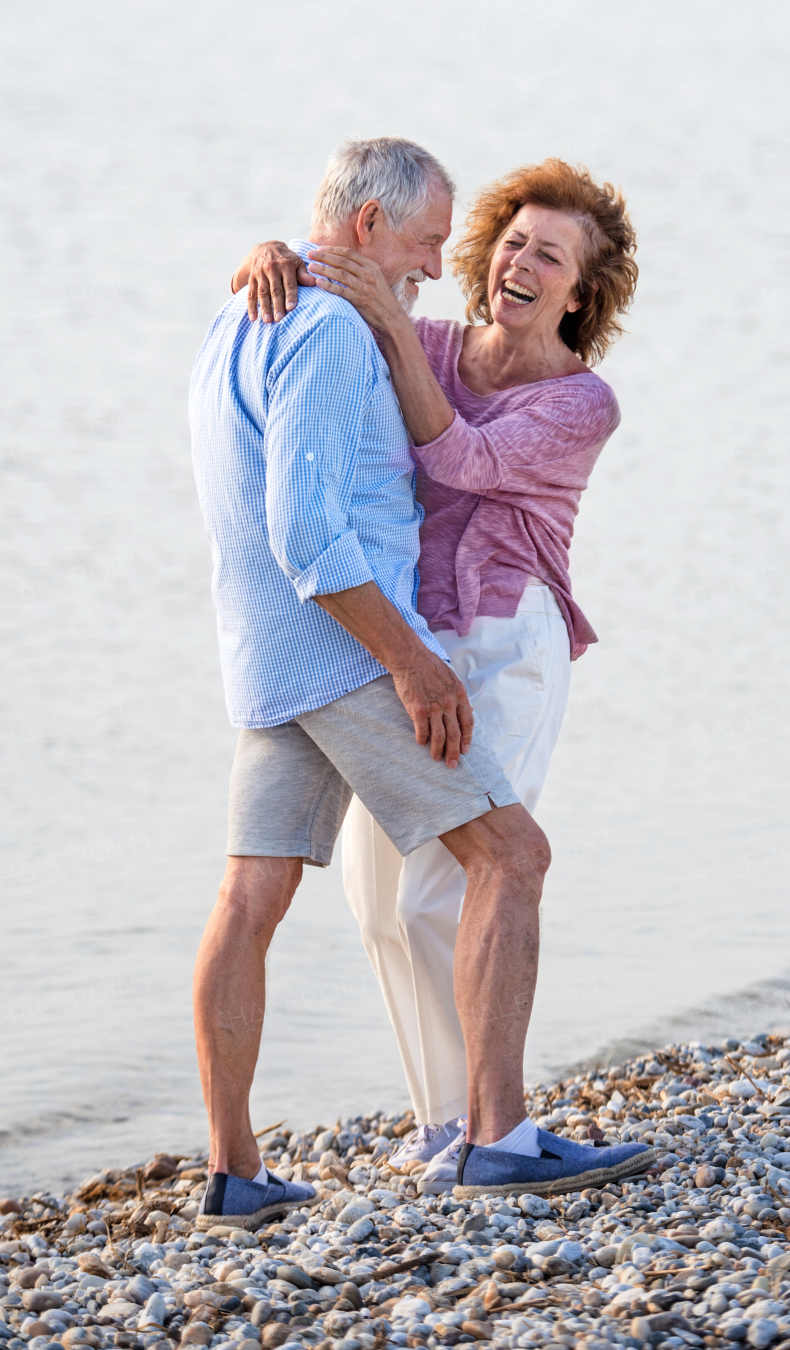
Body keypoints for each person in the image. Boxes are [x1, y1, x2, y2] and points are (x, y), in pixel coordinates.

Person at [192, 137, 647, 1217]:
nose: (468, 264)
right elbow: (310, 525)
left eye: (548, 255)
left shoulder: (571, 398)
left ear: (581, 293)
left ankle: (439, 1134)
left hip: (474, 641)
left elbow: (458, 463)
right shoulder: (385, 335)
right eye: (499, 242)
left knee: (444, 874)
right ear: (362, 233)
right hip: (375, 647)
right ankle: (464, 1132)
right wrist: (280, 256)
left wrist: (339, 288)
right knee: (396, 894)